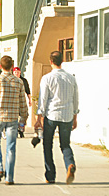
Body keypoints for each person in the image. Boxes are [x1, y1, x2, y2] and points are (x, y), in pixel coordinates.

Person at [34, 51, 79, 184]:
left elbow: (43, 99)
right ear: (62, 61)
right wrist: (75, 116)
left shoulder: (47, 78)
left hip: (51, 115)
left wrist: (39, 117)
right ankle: (70, 164)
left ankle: (50, 175)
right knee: (65, 144)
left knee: (47, 145)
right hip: (67, 115)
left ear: (51, 61)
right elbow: (75, 98)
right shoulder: (71, 78)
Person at [0, 55, 28, 185]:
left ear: (1, 66)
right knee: (11, 147)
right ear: (11, 66)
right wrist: (24, 118)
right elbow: (23, 102)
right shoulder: (18, 82)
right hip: (13, 118)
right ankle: (10, 177)